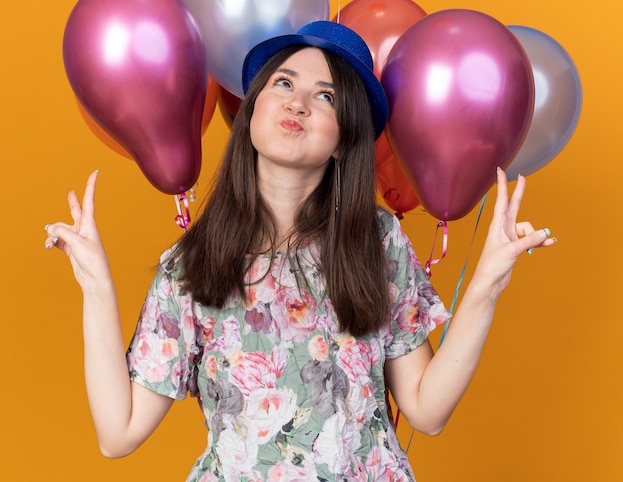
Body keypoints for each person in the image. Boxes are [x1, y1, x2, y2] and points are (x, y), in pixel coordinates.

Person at [44, 20, 556, 482]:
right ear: (250, 112)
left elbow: (426, 409)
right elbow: (119, 434)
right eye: (283, 83)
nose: (298, 103)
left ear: (341, 141)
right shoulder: (190, 264)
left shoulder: (376, 242)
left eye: (325, 96)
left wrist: (487, 281)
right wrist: (96, 284)